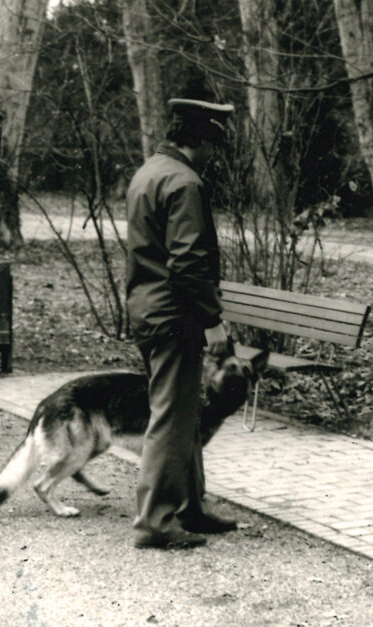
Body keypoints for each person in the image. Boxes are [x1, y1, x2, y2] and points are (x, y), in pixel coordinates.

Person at [125, 93, 237, 550]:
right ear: (203, 139)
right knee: (172, 420)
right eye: (214, 144)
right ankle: (154, 522)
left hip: (151, 310)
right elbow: (188, 264)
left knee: (184, 414)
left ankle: (189, 508)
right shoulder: (185, 182)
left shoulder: (150, 171)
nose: (214, 156)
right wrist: (213, 322)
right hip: (175, 317)